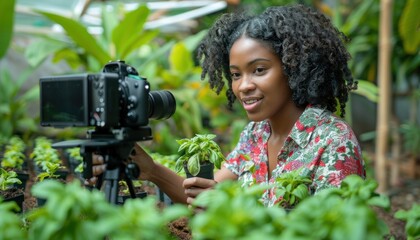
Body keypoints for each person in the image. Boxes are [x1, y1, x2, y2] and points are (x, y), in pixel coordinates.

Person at [89, 4, 365, 207]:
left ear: (294, 68)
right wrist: (150, 170)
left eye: (259, 70)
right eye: (235, 74)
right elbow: (205, 197)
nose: (243, 85)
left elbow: (338, 226)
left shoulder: (333, 140)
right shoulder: (256, 134)